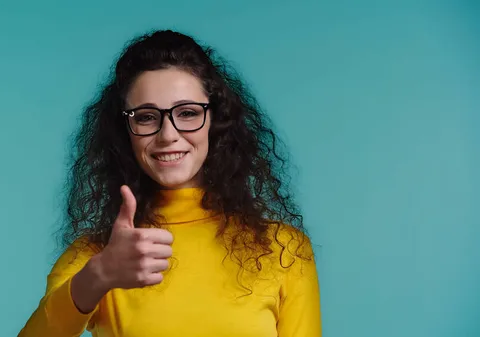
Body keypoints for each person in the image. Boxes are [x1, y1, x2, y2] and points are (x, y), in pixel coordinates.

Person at [18, 29, 321, 337]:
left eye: (187, 113)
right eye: (146, 117)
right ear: (125, 130)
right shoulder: (99, 254)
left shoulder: (284, 249)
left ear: (216, 121)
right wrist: (97, 276)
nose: (167, 135)